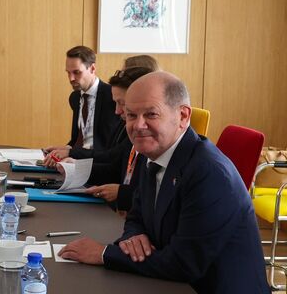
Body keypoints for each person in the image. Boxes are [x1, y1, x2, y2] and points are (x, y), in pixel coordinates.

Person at [58, 72, 268, 293]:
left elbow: (183, 264)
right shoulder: (153, 152)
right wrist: (133, 236)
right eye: (131, 115)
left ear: (183, 116)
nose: (138, 125)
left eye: (151, 114)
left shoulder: (209, 173)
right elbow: (136, 215)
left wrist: (103, 253)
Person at [55, 66, 153, 212]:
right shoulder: (128, 130)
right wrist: (76, 169)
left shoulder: (148, 137)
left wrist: (121, 193)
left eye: (122, 103)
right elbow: (114, 167)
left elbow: (155, 194)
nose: (117, 111)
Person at [44, 46, 121, 162]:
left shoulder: (112, 97)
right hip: (77, 159)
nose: (71, 78)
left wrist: (71, 153)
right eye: (68, 73)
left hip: (99, 164)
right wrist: (64, 149)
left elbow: (108, 149)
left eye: (76, 72)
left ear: (92, 68)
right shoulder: (75, 97)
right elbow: (79, 140)